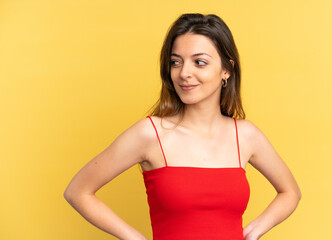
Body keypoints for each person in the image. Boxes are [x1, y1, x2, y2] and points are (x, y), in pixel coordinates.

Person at [64, 13, 301, 240]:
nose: (184, 73)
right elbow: (78, 191)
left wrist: (254, 231)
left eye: (199, 62)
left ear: (226, 70)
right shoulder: (151, 134)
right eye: (176, 62)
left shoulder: (246, 135)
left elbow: (290, 192)